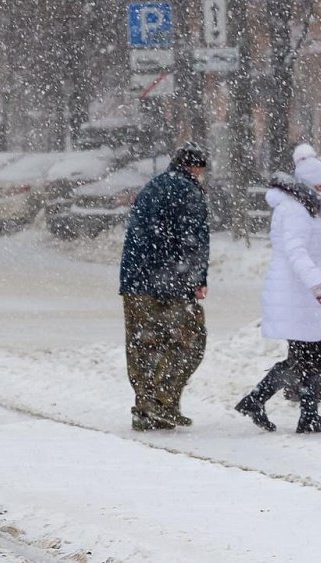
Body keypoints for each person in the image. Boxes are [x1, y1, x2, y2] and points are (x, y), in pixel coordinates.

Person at [235, 143, 321, 434]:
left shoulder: (303, 208)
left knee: (306, 355)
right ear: (309, 185)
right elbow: (296, 252)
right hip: (296, 292)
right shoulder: (295, 211)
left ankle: (267, 404)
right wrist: (317, 284)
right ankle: (301, 414)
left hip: (298, 293)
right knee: (309, 354)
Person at [119, 141, 210, 431]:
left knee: (143, 344)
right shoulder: (188, 191)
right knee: (190, 338)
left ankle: (145, 409)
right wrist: (196, 280)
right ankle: (161, 401)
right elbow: (193, 240)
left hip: (135, 281)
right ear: (194, 168)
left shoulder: (153, 186)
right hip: (168, 281)